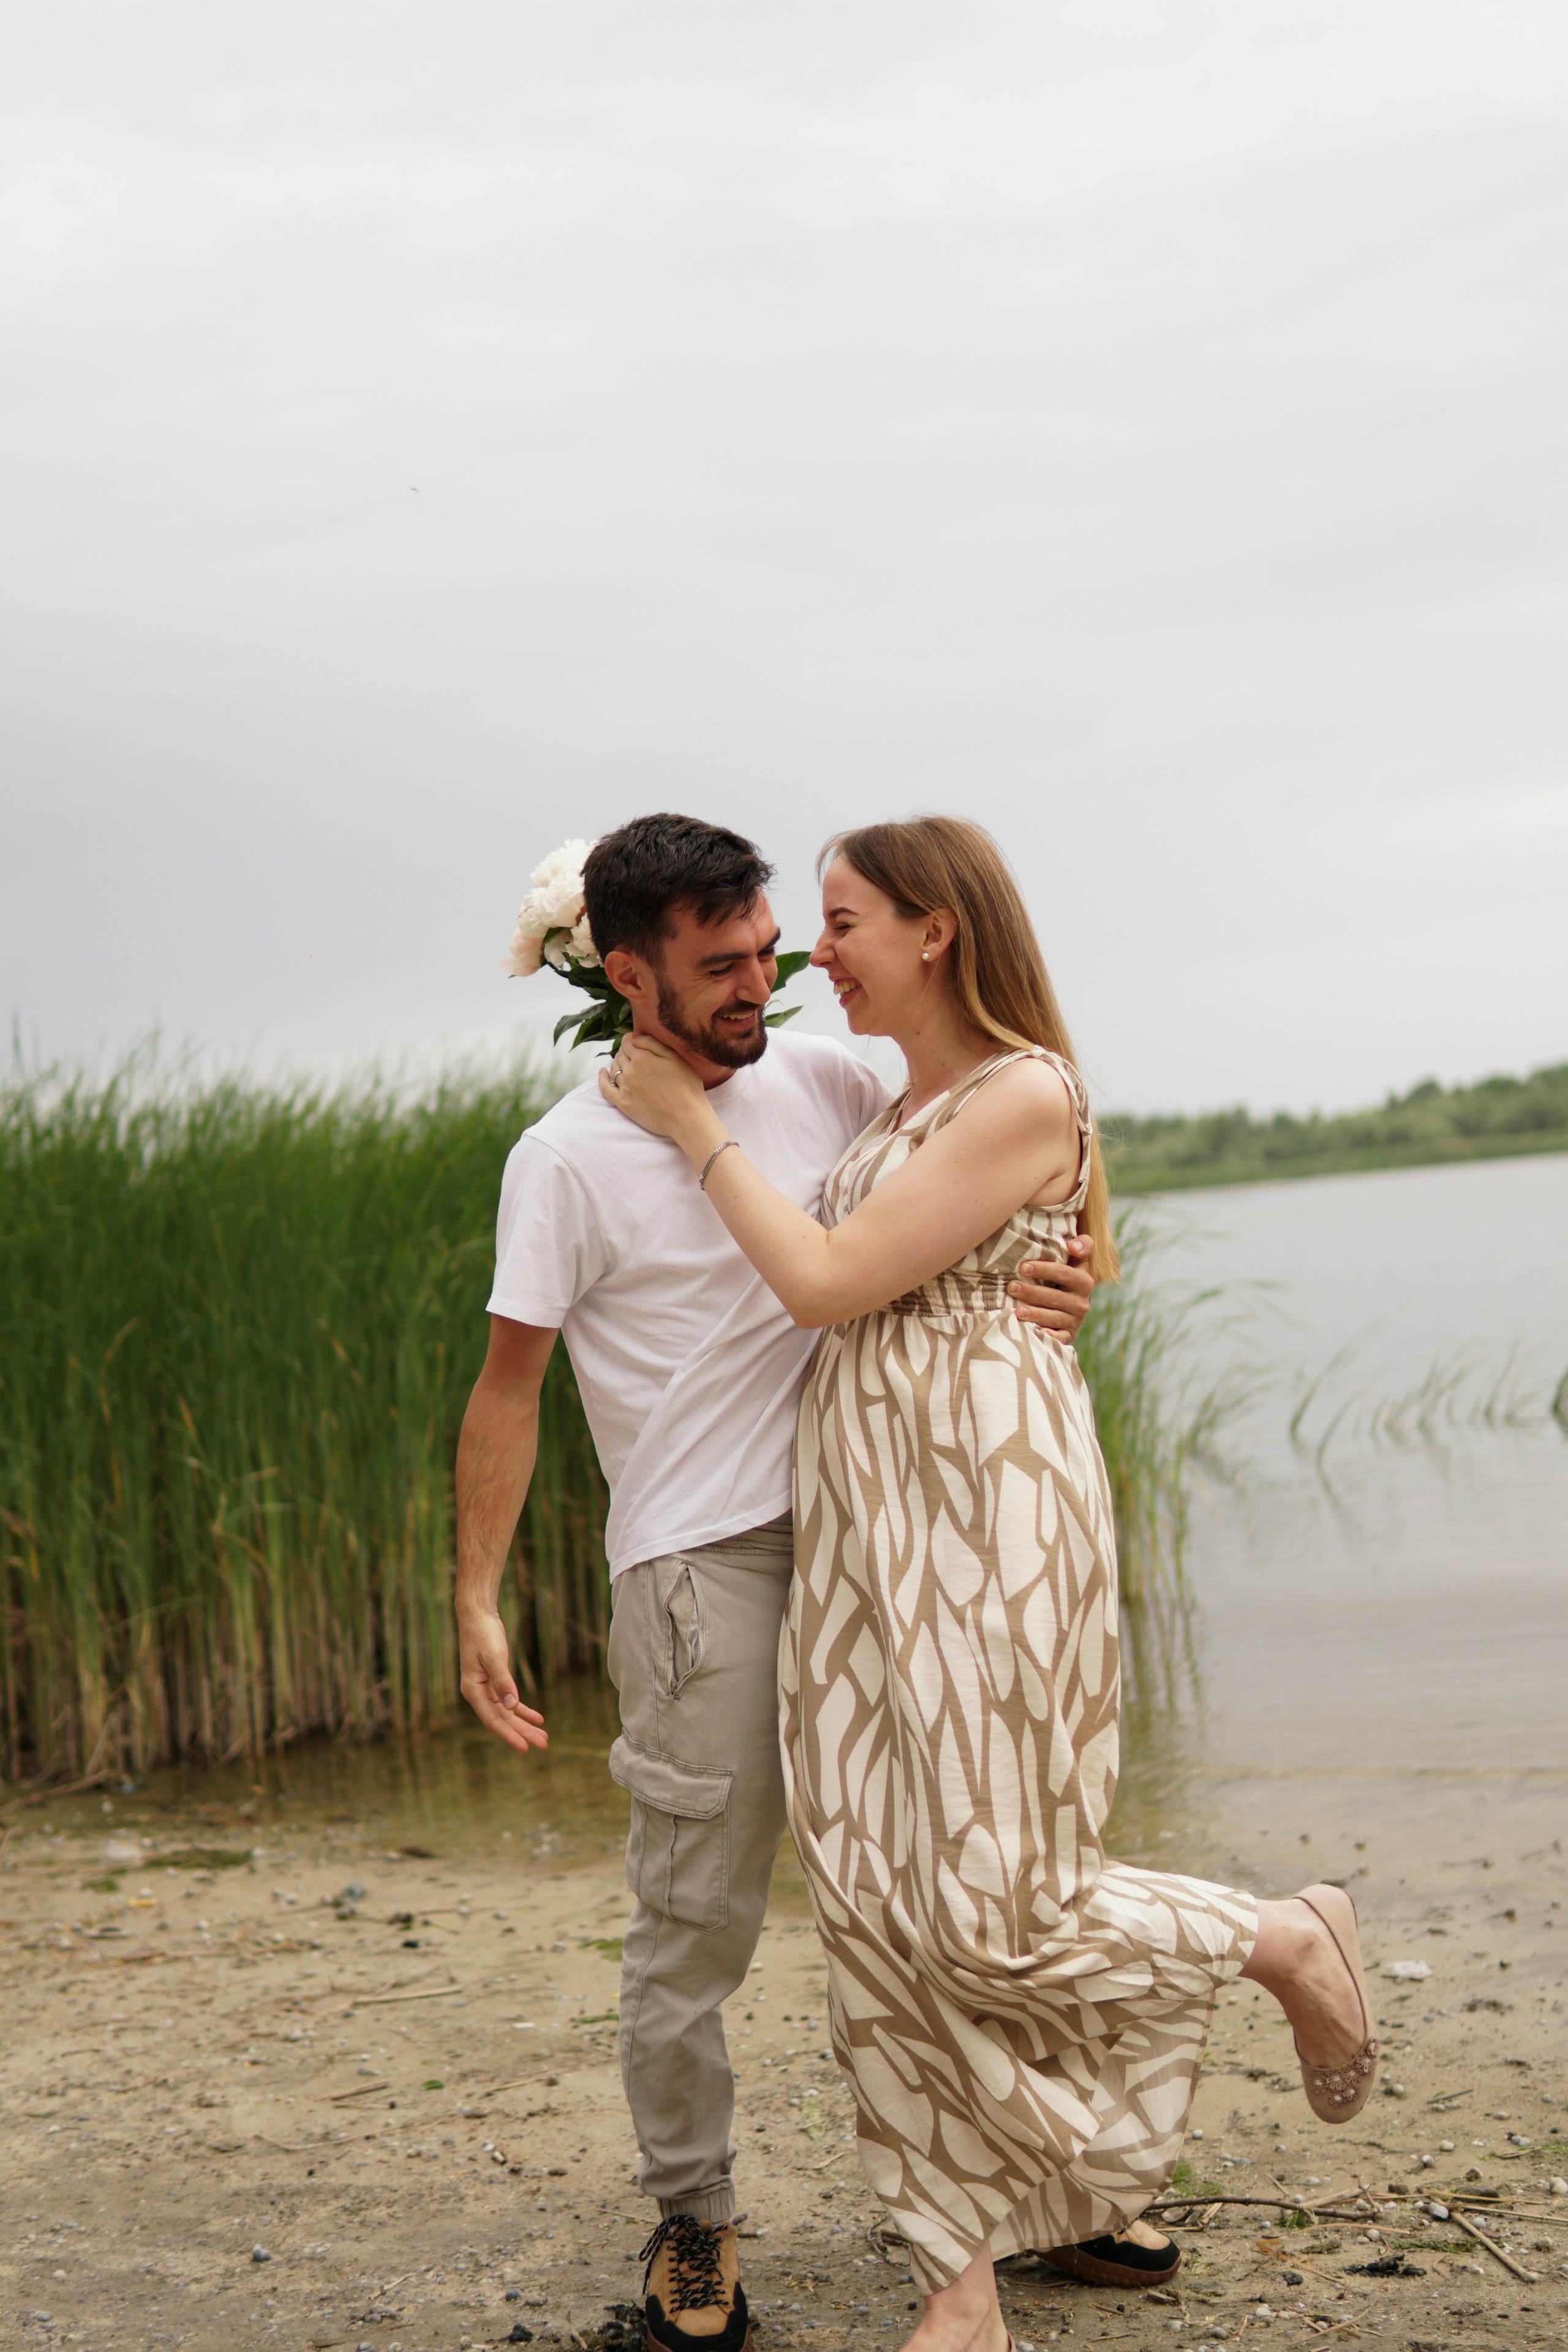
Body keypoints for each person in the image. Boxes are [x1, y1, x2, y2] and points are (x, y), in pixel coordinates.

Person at [601, 816, 1379, 2352]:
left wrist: (696, 1136)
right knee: (875, 1907)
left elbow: (826, 1284)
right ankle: (955, 2281)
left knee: (992, 1906)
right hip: (860, 1531)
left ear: (935, 929)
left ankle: (1281, 1935)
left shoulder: (1025, 1087)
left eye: (838, 924)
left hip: (983, 1523)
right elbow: (970, 1254)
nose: (813, 957)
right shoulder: (896, 1104)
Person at [454, 813, 1096, 2352]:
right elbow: (504, 1391)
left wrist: (1084, 1272)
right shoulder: (562, 1160)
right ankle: (695, 2229)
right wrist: (477, 1594)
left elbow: (1022, 1159)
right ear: (622, 973)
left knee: (953, 1879)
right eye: (719, 965)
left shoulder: (828, 1079)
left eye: (767, 948)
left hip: (884, 1533)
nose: (767, 981)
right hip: (703, 1568)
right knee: (699, 1922)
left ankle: (1060, 2196)